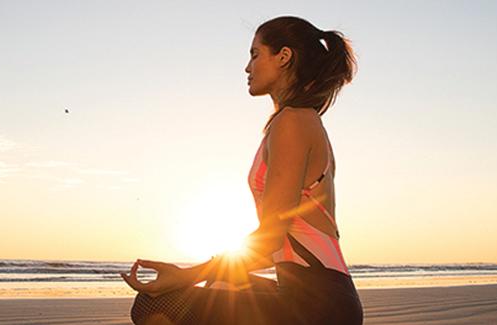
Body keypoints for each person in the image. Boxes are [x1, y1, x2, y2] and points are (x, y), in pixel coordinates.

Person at [121, 15, 362, 325]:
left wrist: (184, 276)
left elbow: (271, 238)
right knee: (227, 282)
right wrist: (204, 273)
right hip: (315, 295)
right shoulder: (296, 121)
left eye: (255, 54)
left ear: (284, 57)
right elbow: (272, 249)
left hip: (320, 307)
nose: (248, 67)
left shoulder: (293, 122)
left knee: (155, 304)